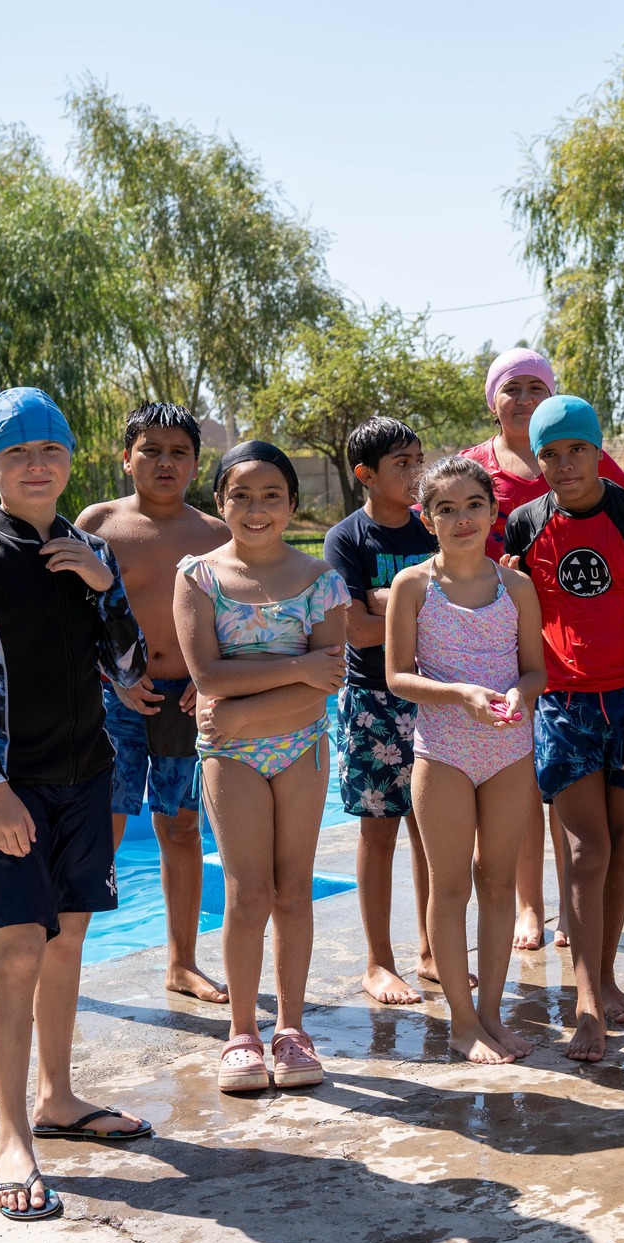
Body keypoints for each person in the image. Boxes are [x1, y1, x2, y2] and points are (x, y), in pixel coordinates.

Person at [0, 387, 155, 1223]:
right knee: (18, 949)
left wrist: (105, 585)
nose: (36, 465)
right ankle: (11, 1133)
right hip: (10, 785)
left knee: (66, 943)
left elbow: (131, 672)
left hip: (84, 776)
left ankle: (59, 1098)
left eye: (50, 450)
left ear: (69, 461)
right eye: (18, 453)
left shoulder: (89, 549)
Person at [501, 394, 624, 1063]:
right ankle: (587, 1003)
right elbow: (514, 619)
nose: (564, 464)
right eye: (549, 454)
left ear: (598, 450)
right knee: (587, 851)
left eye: (576, 449)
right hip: (563, 706)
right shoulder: (525, 525)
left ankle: (603, 977)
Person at [173, 442, 350, 1094]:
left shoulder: (322, 580)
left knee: (294, 890)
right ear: (220, 503)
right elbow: (208, 676)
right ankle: (242, 1032)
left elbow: (326, 685)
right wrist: (297, 667)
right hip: (233, 760)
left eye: (271, 494)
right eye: (241, 495)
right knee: (247, 894)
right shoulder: (199, 578)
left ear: (292, 503)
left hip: (300, 748)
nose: (256, 507)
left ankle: (292, 1028)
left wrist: (241, 713)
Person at [460, 348, 624, 953]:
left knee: (568, 789)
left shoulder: (580, 453)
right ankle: (528, 905)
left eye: (535, 386)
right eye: (511, 388)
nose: (523, 398)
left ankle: (569, 906)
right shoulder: (475, 465)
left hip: (569, 649)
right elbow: (437, 522)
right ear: (493, 399)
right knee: (519, 781)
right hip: (495, 640)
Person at [384, 456, 548, 1064]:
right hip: (444, 753)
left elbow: (536, 671)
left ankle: (491, 1014)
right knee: (449, 887)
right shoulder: (413, 586)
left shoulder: (516, 587)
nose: (462, 519)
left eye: (474, 505)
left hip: (509, 751)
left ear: (494, 511)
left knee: (498, 883)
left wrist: (519, 694)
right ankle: (461, 1021)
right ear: (426, 518)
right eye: (446, 509)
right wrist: (460, 695)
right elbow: (397, 677)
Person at [76, 401, 231, 1006]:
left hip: (187, 701)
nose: (166, 463)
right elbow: (75, 617)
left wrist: (210, 678)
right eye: (152, 450)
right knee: (102, 826)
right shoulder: (100, 524)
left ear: (195, 463)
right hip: (117, 698)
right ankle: (62, 959)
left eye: (179, 452)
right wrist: (112, 676)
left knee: (181, 827)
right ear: (127, 457)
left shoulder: (215, 534)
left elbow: (233, 615)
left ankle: (181, 963)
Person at [323, 417, 438, 1007]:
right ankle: (378, 961)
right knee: (379, 832)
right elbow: (359, 632)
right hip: (372, 700)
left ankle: (431, 951)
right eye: (402, 463)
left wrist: (385, 598)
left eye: (419, 459)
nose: (417, 472)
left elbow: (456, 608)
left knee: (433, 832)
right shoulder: (347, 539)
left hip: (434, 696)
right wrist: (416, 599)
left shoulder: (433, 525)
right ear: (366, 474)